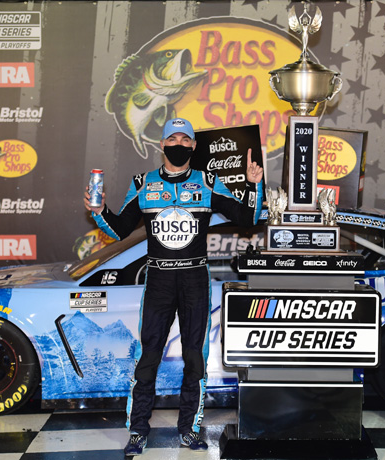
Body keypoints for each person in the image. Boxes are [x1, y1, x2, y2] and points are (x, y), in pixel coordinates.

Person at [84, 118, 263, 456]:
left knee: (195, 357)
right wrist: (98, 211)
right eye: (172, 139)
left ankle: (189, 430)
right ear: (162, 144)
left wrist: (255, 185)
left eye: (185, 139)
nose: (178, 144)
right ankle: (137, 430)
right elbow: (120, 229)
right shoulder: (143, 183)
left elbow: (247, 218)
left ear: (193, 145)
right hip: (159, 281)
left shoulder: (208, 181)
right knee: (147, 357)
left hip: (195, 280)